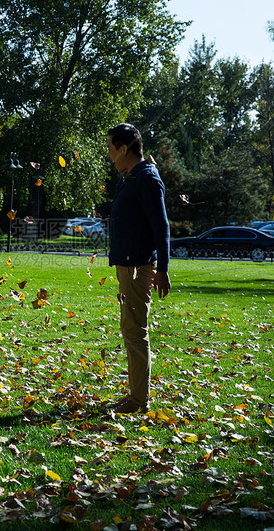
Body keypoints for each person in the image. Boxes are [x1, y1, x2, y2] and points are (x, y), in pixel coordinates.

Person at [106, 123, 171, 414]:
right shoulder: (130, 177)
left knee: (135, 331)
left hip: (138, 266)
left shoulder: (147, 178)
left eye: (111, 149)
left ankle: (138, 400)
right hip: (127, 265)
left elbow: (162, 227)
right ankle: (135, 395)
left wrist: (163, 269)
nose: (109, 155)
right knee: (130, 330)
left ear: (124, 149)